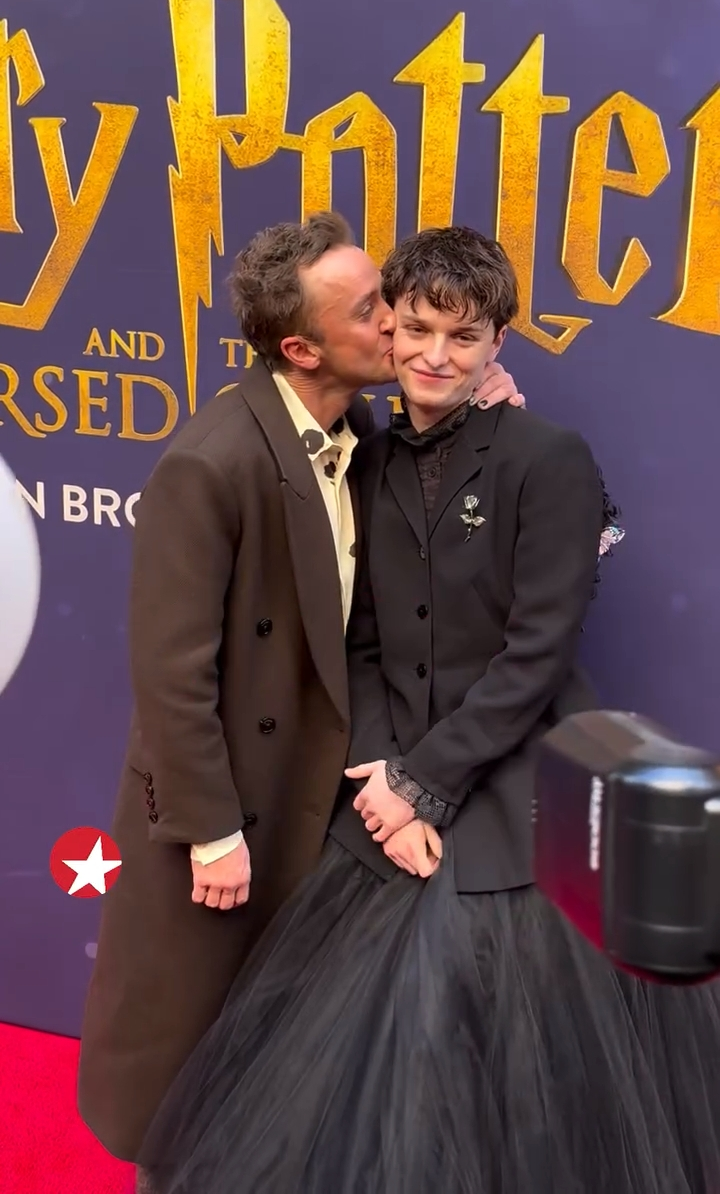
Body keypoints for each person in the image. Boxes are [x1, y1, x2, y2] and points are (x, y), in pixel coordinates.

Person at [139, 226, 720, 1194]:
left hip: (522, 785)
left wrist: (424, 785)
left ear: (499, 342)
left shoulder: (550, 457)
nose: (436, 356)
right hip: (387, 788)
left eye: (464, 336)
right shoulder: (365, 461)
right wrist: (382, 782)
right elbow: (359, 645)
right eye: (415, 329)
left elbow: (538, 654)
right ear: (389, 330)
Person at [77, 212, 522, 1181]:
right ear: (302, 349)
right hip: (225, 818)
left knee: (269, 1059)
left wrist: (484, 407)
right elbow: (170, 672)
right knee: (186, 1050)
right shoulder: (211, 462)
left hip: (311, 804)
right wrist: (209, 830)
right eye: (371, 310)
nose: (397, 319)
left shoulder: (357, 431)